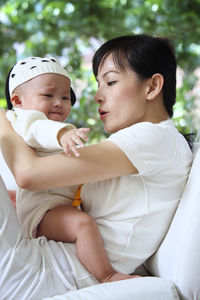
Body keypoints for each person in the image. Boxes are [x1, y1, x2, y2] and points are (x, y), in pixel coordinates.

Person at [0, 34, 192, 300]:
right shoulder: (151, 143)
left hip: (41, 272)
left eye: (110, 82)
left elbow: (28, 174)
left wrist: (4, 120)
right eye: (98, 84)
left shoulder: (153, 138)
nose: (97, 96)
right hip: (43, 263)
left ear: (152, 87)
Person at [4, 56, 134, 284]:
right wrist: (63, 134)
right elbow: (37, 128)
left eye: (65, 97)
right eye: (48, 95)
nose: (59, 102)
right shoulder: (25, 119)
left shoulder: (47, 126)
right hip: (42, 211)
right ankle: (107, 275)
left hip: (53, 205)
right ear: (17, 100)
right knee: (83, 225)